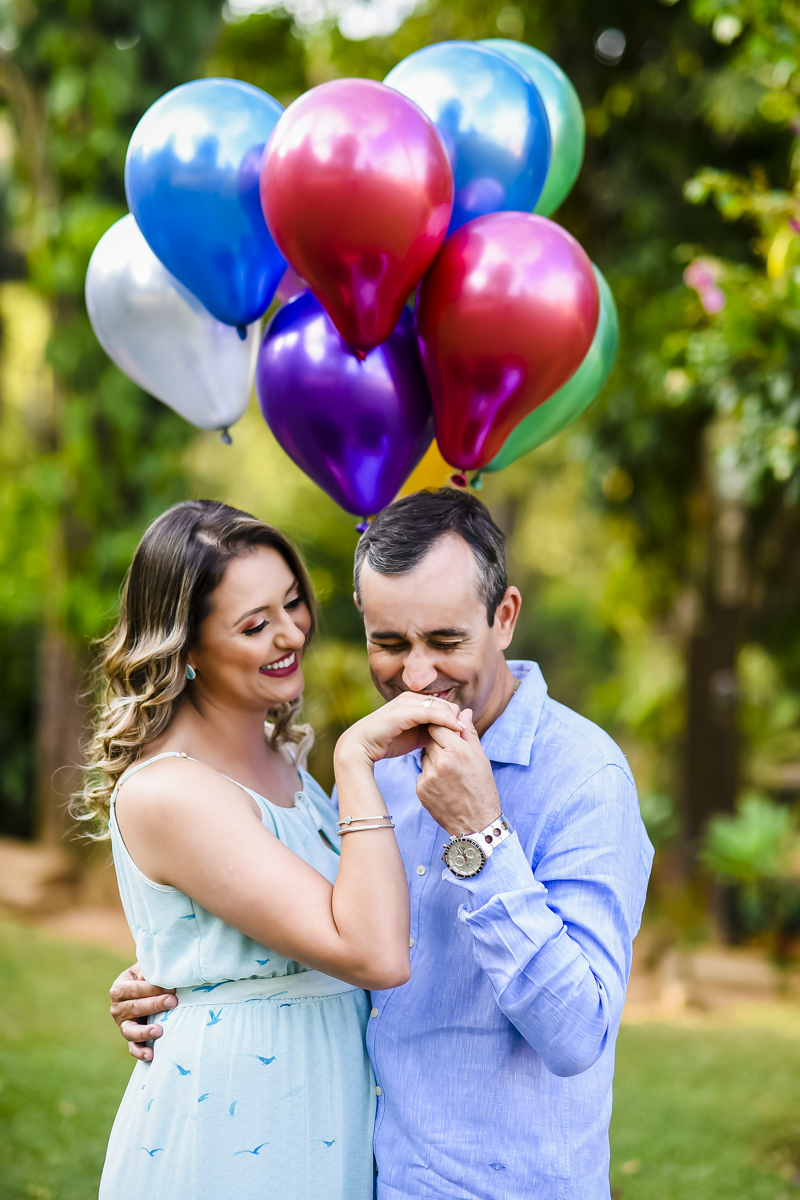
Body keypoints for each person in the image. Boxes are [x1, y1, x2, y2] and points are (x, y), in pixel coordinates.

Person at [111, 488, 654, 1199]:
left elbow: (579, 1034)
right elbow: (328, 927)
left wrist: (481, 835)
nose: (417, 677)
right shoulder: (379, 766)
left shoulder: (585, 777)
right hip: (365, 1172)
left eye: (446, 641)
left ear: (504, 617)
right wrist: (183, 976)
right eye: (390, 643)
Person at [79, 498, 467, 1200]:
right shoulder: (171, 791)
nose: (291, 633)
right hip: (238, 1119)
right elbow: (374, 954)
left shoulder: (281, 756)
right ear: (186, 648)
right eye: (254, 624)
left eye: (292, 603)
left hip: (324, 1103)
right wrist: (354, 760)